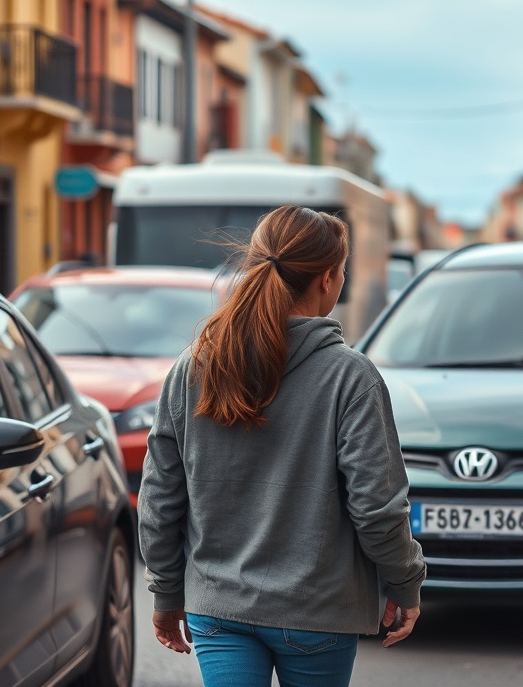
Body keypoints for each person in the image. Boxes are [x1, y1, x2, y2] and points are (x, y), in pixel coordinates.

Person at [138, 205, 426, 687]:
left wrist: (167, 592)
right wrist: (404, 581)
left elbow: (160, 499)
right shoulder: (350, 377)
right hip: (316, 612)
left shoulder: (194, 368)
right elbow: (377, 507)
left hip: (217, 609)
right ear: (329, 280)